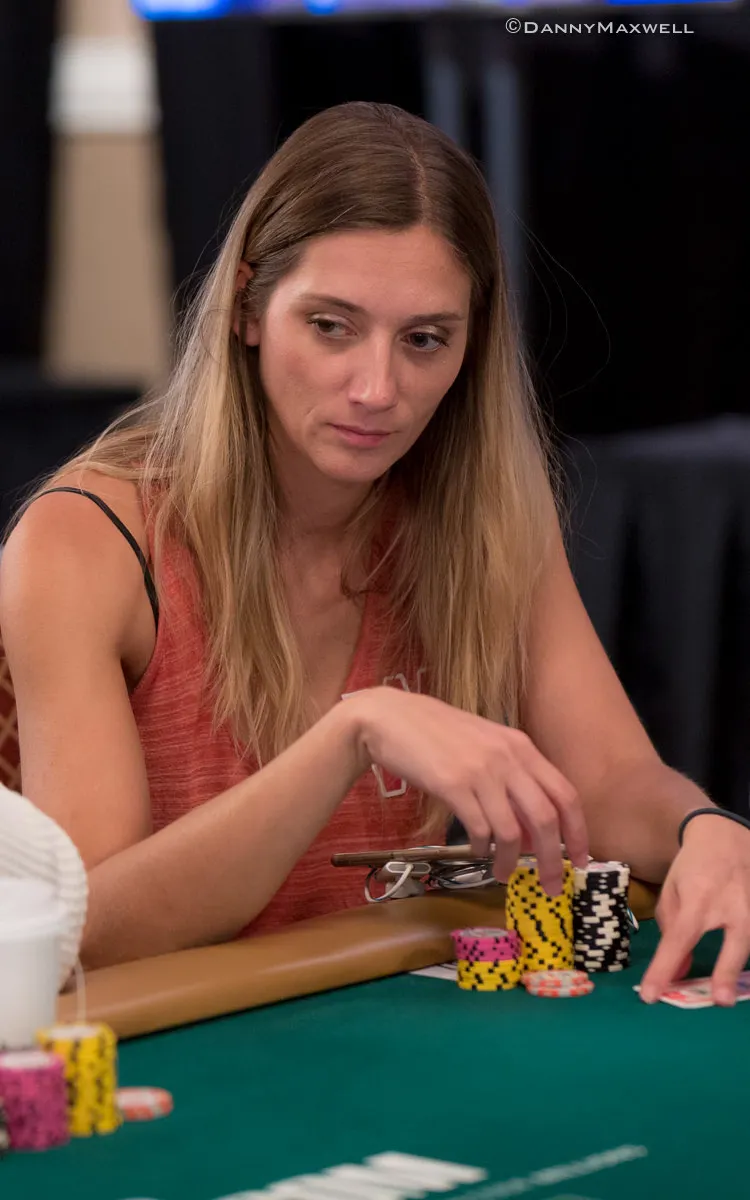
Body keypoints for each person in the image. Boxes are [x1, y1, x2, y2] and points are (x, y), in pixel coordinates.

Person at [0, 102, 748, 1001]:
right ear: (247, 308)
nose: (377, 388)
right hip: (170, 1041)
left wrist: (705, 827)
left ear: (471, 346)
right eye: (331, 325)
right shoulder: (84, 540)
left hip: (373, 1014)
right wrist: (355, 733)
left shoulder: (486, 520)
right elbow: (89, 936)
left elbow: (611, 782)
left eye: (425, 339)